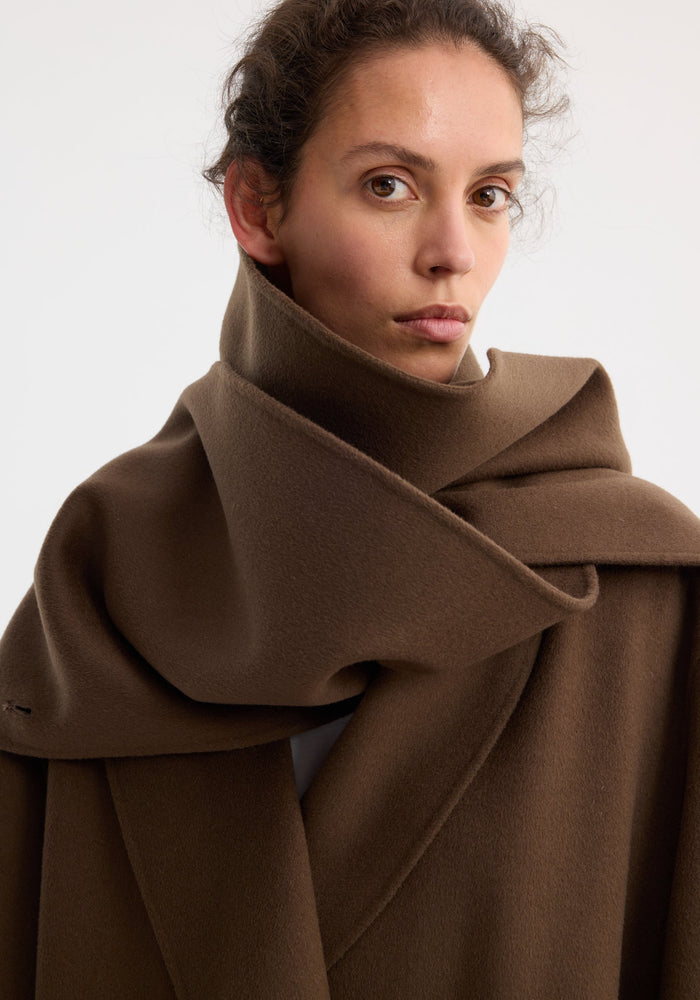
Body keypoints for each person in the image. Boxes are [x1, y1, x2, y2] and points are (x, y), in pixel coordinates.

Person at [1, 0, 699, 997]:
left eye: (491, 194)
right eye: (390, 185)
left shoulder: (638, 583)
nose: (453, 250)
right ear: (258, 208)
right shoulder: (106, 571)